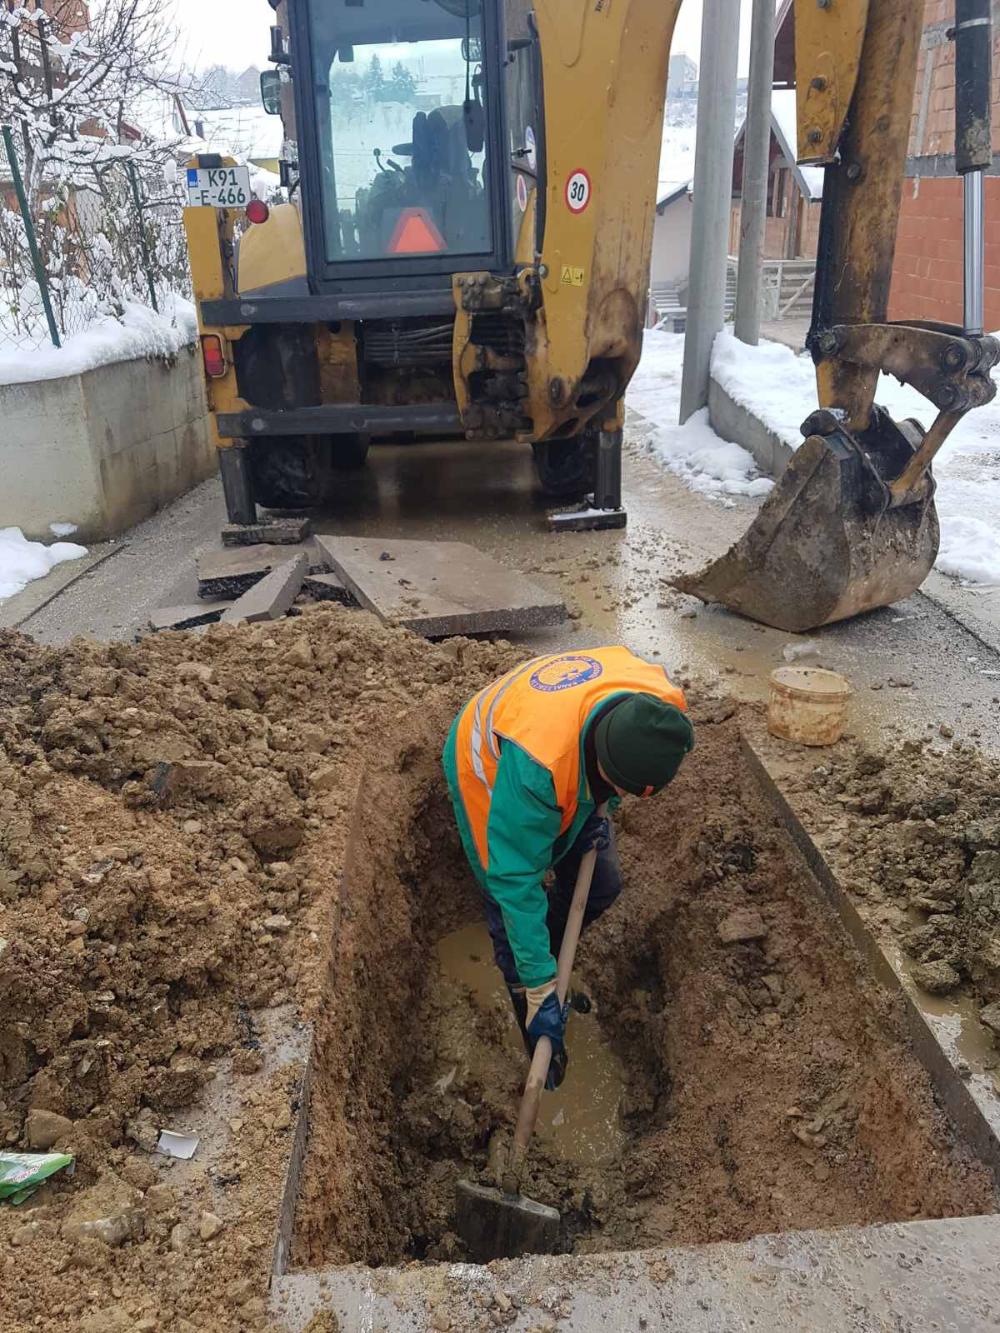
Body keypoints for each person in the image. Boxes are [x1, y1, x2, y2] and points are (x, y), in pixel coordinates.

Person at [443, 647, 694, 1087]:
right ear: (604, 759)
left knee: (601, 885)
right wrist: (540, 988)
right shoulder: (537, 770)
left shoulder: (659, 706)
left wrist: (602, 802)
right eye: (617, 788)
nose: (620, 798)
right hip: (488, 763)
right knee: (509, 909)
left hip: (560, 740)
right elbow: (515, 881)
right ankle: (532, 1009)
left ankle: (550, 956)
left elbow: (615, 776)